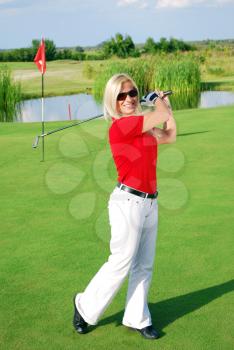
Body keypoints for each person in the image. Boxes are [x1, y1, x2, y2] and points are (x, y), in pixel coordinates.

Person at [73, 73, 176, 340]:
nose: (128, 99)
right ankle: (84, 306)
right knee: (121, 262)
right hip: (127, 203)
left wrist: (166, 107)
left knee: (144, 265)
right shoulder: (121, 127)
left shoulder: (141, 126)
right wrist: (157, 100)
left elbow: (169, 135)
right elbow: (159, 114)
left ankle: (137, 317)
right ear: (113, 101)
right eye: (121, 96)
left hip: (150, 202)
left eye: (132, 93)